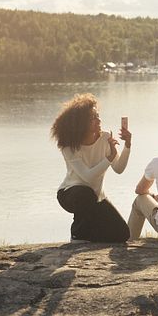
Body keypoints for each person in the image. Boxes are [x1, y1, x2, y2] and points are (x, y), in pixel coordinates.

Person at [51, 93, 131, 243]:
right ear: (81, 123)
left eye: (98, 116)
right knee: (85, 194)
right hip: (70, 194)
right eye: (93, 117)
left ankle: (90, 235)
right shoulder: (69, 146)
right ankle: (77, 235)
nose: (99, 120)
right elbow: (87, 177)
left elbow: (119, 168)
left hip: (97, 196)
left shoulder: (105, 137)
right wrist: (109, 157)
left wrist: (127, 145)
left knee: (122, 234)